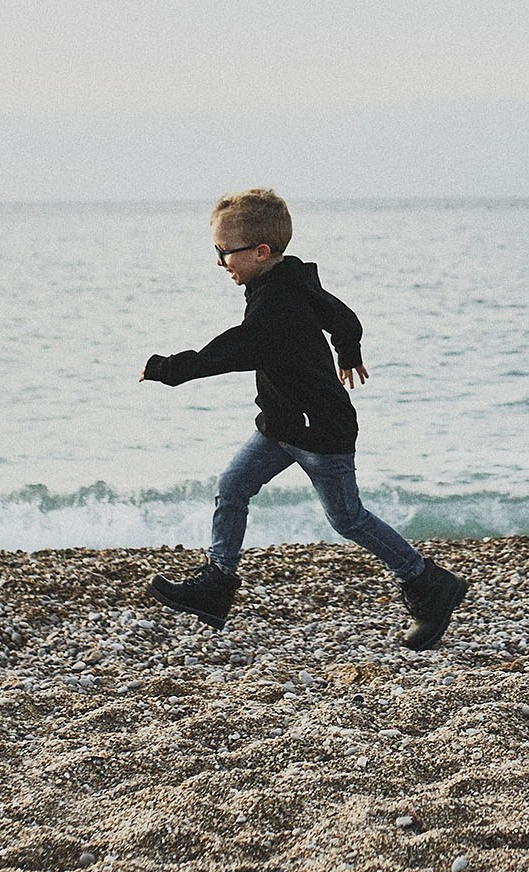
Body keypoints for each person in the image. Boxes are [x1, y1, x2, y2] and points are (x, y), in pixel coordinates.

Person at [139, 187, 469, 648]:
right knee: (232, 486)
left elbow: (233, 349)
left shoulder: (278, 303)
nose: (219, 263)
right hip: (281, 424)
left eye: (224, 252)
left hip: (320, 431)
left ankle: (430, 583)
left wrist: (167, 369)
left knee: (348, 519)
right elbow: (344, 317)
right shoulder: (292, 281)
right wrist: (348, 350)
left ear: (260, 251)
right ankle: (217, 583)